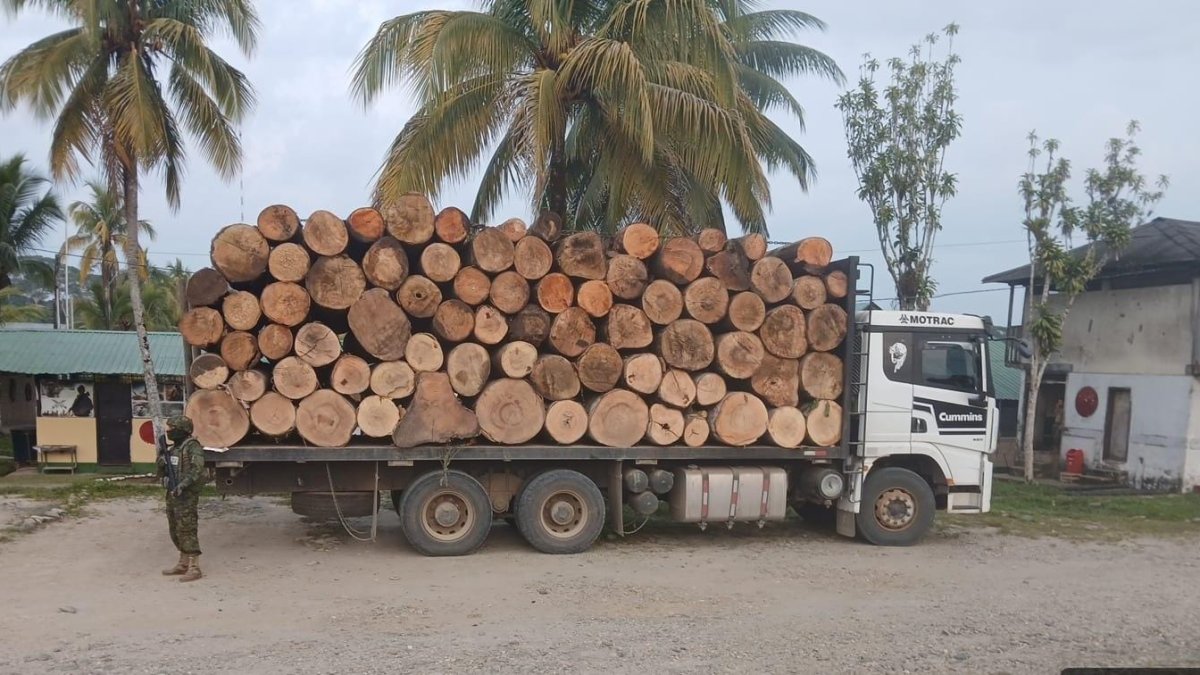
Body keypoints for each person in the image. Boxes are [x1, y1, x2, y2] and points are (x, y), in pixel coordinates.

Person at [158, 415, 207, 582]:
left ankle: (194, 567)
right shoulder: (172, 449)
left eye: (172, 428)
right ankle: (183, 562)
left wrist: (183, 485)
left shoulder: (192, 447)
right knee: (175, 528)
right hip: (172, 493)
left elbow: (197, 469)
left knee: (187, 529)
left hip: (186, 495)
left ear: (181, 430)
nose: (169, 431)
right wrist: (161, 460)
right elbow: (161, 472)